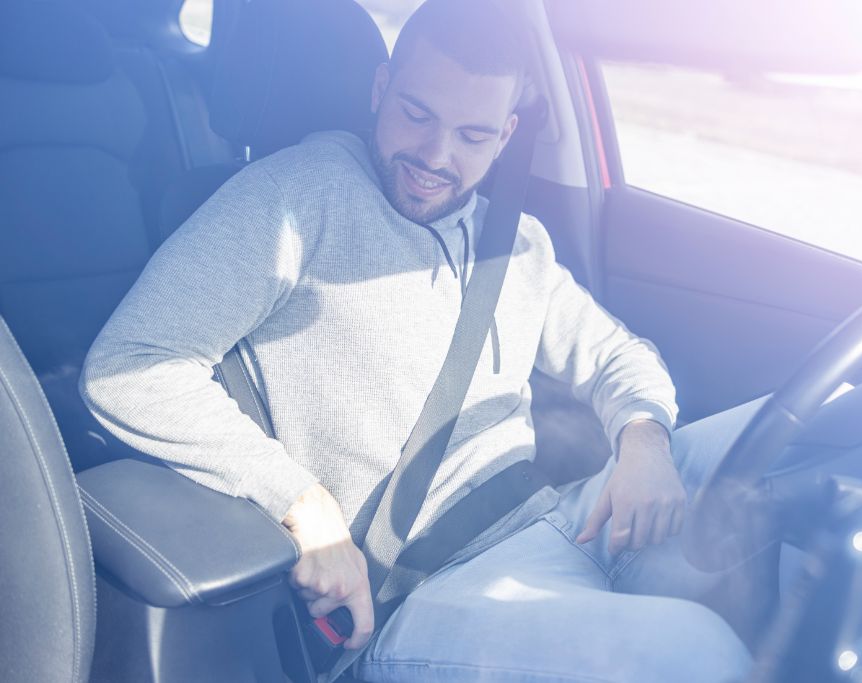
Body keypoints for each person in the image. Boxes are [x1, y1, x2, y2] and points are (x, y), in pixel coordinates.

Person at [80, 1, 752, 680]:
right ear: (379, 90)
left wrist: (643, 436)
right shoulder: (294, 200)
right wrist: (301, 502)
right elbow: (129, 368)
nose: (435, 156)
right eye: (417, 114)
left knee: (790, 450)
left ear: (505, 134)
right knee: (700, 652)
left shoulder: (516, 241)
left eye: (471, 135)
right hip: (428, 591)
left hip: (556, 518)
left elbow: (615, 353)